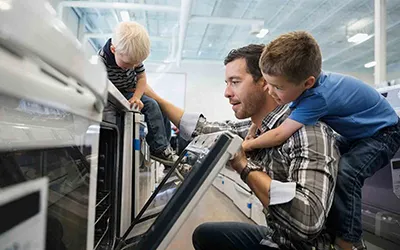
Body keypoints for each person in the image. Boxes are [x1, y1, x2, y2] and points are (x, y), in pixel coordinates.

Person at [144, 44, 340, 249]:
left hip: (304, 247)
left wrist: (244, 166)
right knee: (206, 235)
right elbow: (202, 129)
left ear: (265, 82)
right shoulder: (255, 128)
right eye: (227, 83)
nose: (227, 93)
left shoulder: (309, 131)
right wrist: (153, 97)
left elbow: (308, 222)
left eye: (235, 82)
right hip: (278, 236)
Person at [242, 31, 400, 250]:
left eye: (277, 87)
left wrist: (247, 145)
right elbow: (266, 120)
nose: (270, 91)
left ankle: (348, 240)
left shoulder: (317, 98)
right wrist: (252, 130)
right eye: (268, 84)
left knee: (347, 173)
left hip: (384, 133)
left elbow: (279, 134)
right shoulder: (306, 87)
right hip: (362, 133)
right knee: (333, 157)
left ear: (308, 82)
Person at [98, 21, 179, 164]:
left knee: (160, 110)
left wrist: (136, 97)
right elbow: (99, 84)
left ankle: (165, 147)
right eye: (129, 64)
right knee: (152, 105)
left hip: (130, 92)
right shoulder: (101, 60)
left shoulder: (131, 56)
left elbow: (141, 78)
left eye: (136, 64)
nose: (133, 67)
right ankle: (159, 148)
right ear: (113, 49)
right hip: (115, 94)